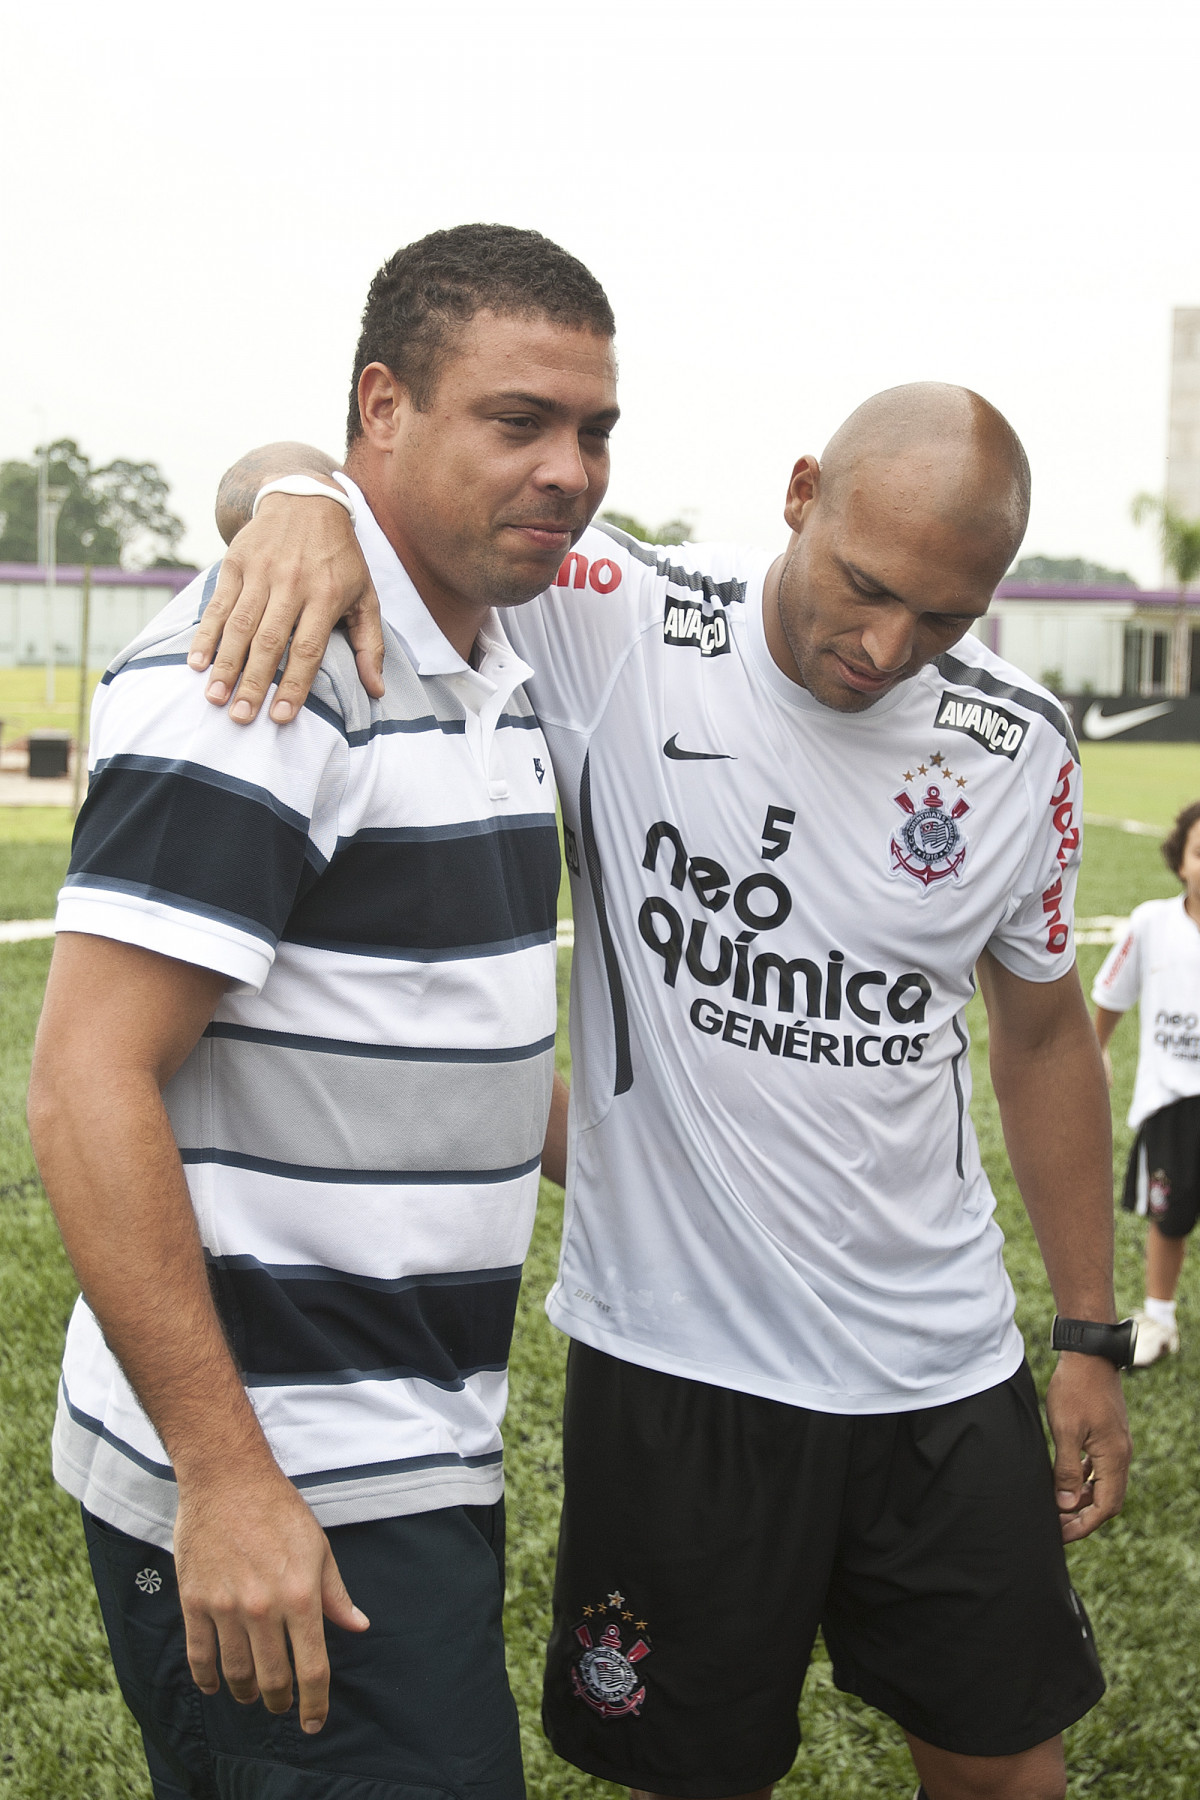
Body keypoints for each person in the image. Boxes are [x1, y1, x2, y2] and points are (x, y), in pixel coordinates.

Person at [197, 380, 1133, 1800]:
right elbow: (350, 491)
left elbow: (1049, 1037)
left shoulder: (1016, 749)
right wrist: (298, 500)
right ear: (801, 491)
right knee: (695, 1777)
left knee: (1009, 1770)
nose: (889, 649)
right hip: (679, 1372)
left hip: (943, 1371)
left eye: (945, 619)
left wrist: (1088, 1333)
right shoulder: (616, 616)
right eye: (868, 589)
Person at [26, 223, 620, 1800]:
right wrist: (227, 1482)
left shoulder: (500, 660)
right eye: (517, 420)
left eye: (594, 429)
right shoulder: (267, 669)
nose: (568, 468)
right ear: (383, 410)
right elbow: (86, 1083)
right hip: (287, 1473)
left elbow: (428, 1027)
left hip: (409, 1435)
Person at [1093, 799, 1200, 1366]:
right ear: (1181, 860)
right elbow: (1110, 994)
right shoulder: (1152, 924)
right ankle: (1159, 1318)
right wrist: (1099, 1050)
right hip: (1174, 1100)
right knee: (1170, 1213)